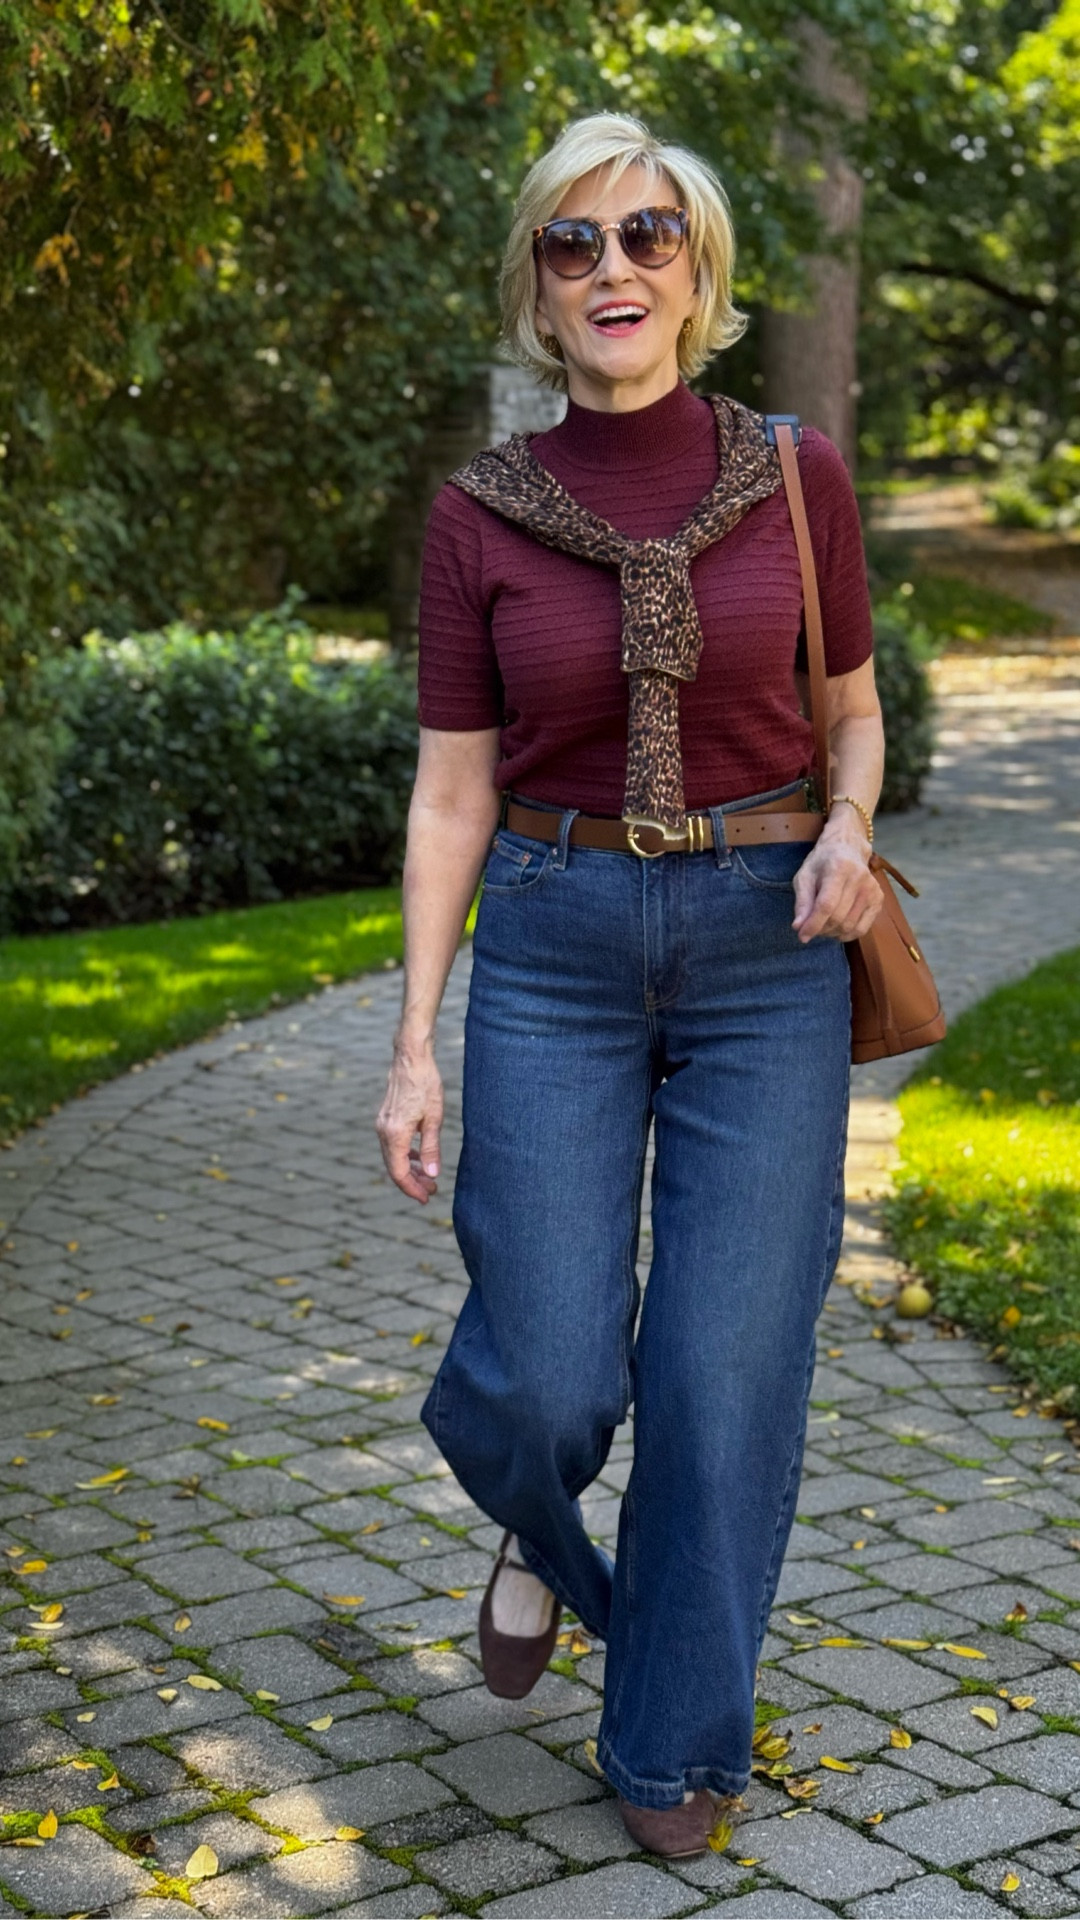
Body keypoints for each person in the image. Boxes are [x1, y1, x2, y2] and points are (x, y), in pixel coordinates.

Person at [376, 109, 884, 1858]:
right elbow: (452, 788)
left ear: (701, 265)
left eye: (648, 235)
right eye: (574, 243)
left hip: (768, 949)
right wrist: (411, 1043)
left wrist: (847, 825)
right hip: (552, 946)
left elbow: (852, 714)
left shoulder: (795, 470)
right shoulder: (480, 514)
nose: (614, 268)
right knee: (545, 1380)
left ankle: (671, 1741)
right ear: (537, 278)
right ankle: (539, 1516)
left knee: (724, 1371)